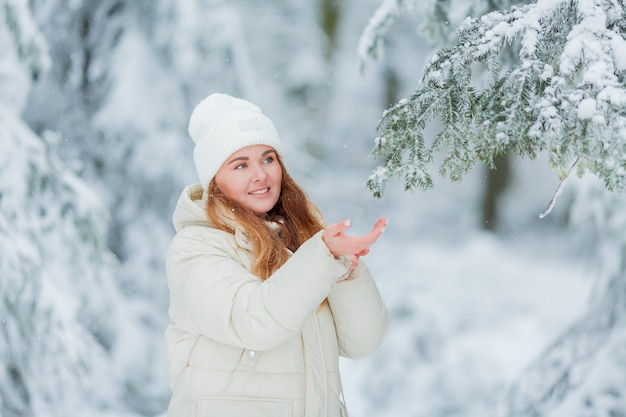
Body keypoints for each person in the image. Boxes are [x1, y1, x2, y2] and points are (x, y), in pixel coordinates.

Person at [165, 93, 388, 417]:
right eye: (240, 165)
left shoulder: (303, 240)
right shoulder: (196, 248)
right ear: (214, 179)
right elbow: (255, 322)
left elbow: (362, 342)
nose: (261, 174)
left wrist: (346, 270)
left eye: (268, 159)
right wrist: (322, 256)